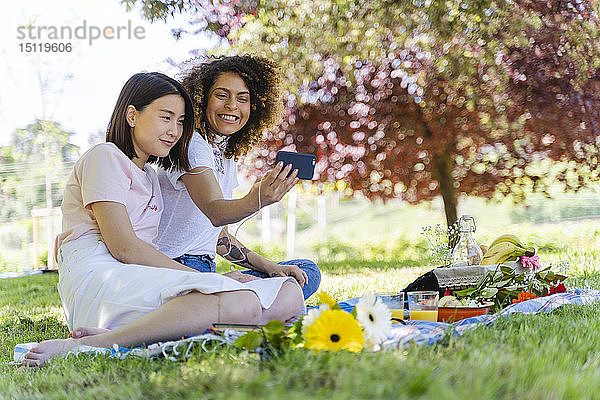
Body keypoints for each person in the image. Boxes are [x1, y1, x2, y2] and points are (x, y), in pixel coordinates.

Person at [21, 72, 304, 368]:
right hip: (101, 278)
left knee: (289, 294)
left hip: (138, 277)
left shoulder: (152, 179)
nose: (174, 131)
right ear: (132, 115)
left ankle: (173, 328)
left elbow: (211, 237)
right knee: (243, 302)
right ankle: (89, 343)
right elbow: (124, 248)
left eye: (181, 122)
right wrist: (209, 279)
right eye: (165, 118)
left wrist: (256, 271)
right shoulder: (104, 156)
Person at [156, 55, 321, 300]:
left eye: (242, 99)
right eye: (222, 95)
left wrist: (271, 268)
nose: (232, 105)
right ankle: (243, 308)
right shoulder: (191, 144)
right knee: (277, 293)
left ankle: (246, 304)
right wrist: (258, 198)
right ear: (200, 100)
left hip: (204, 266)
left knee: (307, 271)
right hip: (174, 269)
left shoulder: (225, 154)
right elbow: (216, 212)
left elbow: (218, 237)